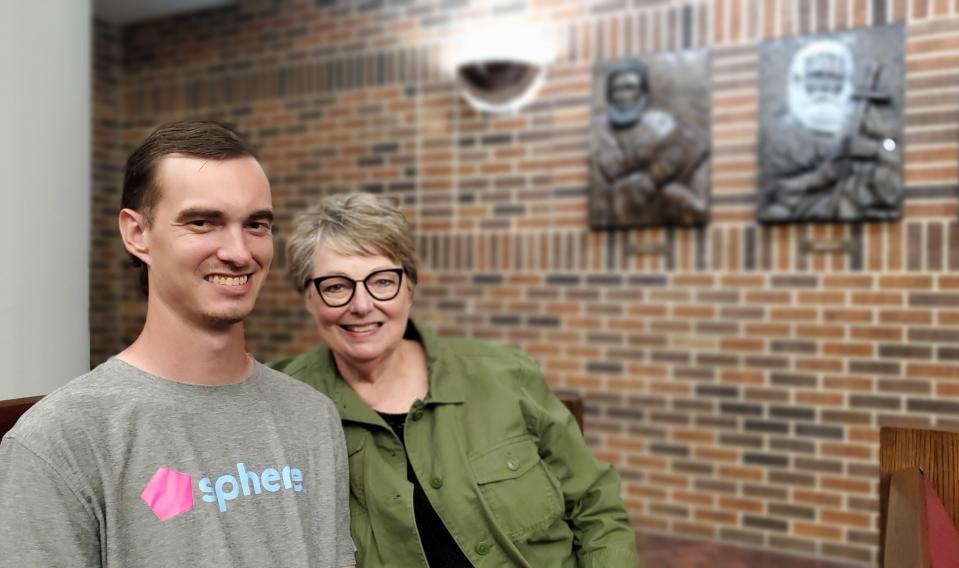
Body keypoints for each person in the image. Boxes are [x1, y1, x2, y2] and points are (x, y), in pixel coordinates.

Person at [0, 121, 355, 568]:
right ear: (137, 233)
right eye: (203, 222)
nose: (239, 252)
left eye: (257, 225)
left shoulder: (312, 416)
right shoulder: (59, 440)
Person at [271, 193, 641, 568]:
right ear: (309, 299)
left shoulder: (505, 376)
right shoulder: (283, 407)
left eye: (383, 281)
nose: (362, 305)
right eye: (335, 286)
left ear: (409, 289)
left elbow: (596, 507)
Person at [758, 39, 901, 221]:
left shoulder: (865, 119)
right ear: (798, 81)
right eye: (816, 79)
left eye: (833, 80)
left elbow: (891, 145)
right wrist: (827, 173)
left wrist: (879, 148)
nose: (824, 89)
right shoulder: (777, 138)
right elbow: (775, 188)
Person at [589, 59, 710, 228]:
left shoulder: (661, 124)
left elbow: (694, 146)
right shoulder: (597, 129)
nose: (623, 95)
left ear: (642, 92)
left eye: (629, 87)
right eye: (616, 89)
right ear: (610, 95)